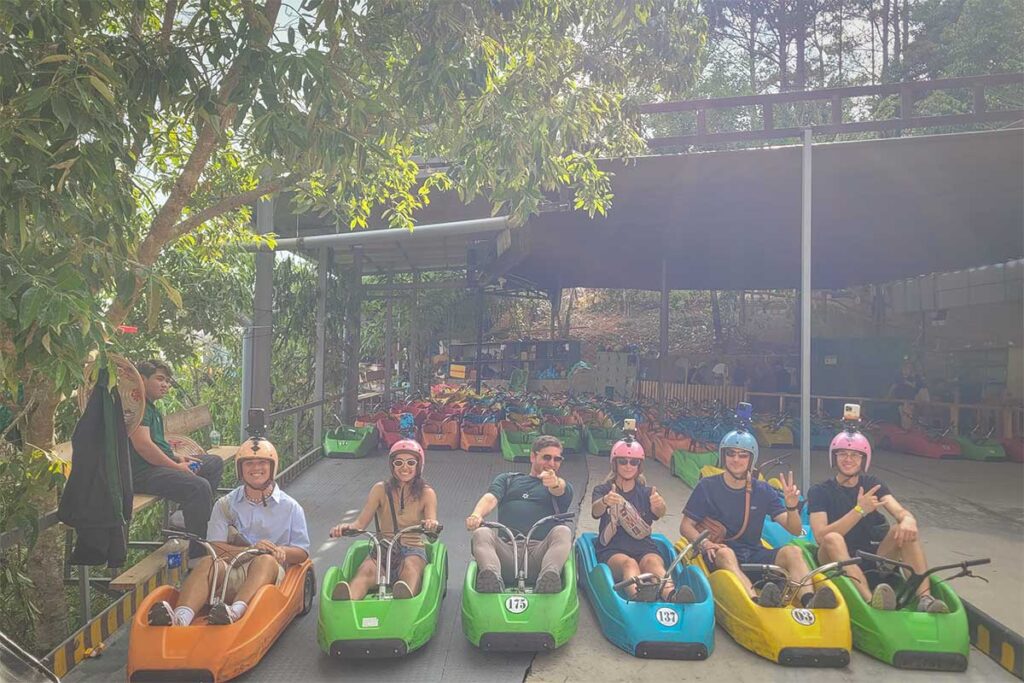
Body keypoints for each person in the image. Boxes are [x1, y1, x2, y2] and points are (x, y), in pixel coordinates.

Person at [147, 437, 310, 626]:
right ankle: (180, 618)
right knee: (208, 562)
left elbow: (302, 552)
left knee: (265, 560)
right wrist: (253, 549)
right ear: (240, 469)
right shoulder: (226, 504)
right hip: (232, 568)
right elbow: (215, 547)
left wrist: (278, 551)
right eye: (249, 463)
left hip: (270, 573)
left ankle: (234, 612)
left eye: (262, 463)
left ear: (272, 467)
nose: (255, 468)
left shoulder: (291, 507)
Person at [679, 428, 836, 608]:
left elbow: (794, 529)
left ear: (751, 459)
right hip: (719, 552)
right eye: (731, 454)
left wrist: (792, 507)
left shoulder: (763, 490)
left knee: (793, 552)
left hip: (753, 553)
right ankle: (755, 602)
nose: (736, 459)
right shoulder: (707, 486)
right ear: (724, 456)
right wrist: (705, 544)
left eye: (743, 455)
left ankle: (810, 601)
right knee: (726, 553)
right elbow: (685, 526)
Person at [808, 423, 949, 613]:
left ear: (863, 459)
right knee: (833, 538)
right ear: (834, 457)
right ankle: (870, 601)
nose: (848, 459)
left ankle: (925, 598)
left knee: (903, 530)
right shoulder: (819, 491)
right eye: (843, 454)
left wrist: (908, 519)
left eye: (854, 455)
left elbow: (899, 511)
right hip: (836, 561)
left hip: (874, 559)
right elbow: (820, 536)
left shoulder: (873, 484)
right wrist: (859, 510)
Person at [129, 360, 224, 558]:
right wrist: (176, 466)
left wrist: (179, 457)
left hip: (160, 466)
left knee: (213, 462)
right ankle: (198, 554)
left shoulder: (152, 408)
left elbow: (158, 444)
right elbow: (143, 446)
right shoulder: (137, 407)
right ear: (142, 379)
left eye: (168, 381)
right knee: (199, 487)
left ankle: (183, 516)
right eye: (160, 379)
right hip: (143, 474)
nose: (166, 385)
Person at [328, 439, 439, 600]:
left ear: (418, 465)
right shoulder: (380, 489)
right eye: (398, 462)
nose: (404, 467)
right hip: (383, 550)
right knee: (366, 570)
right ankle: (348, 600)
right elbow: (360, 524)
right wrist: (345, 528)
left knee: (410, 568)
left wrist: (431, 524)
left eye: (410, 462)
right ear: (392, 465)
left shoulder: (427, 493)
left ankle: (405, 601)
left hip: (412, 549)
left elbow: (432, 523)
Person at [591, 436, 695, 602]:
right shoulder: (603, 490)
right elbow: (595, 512)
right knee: (629, 563)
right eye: (623, 461)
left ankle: (672, 595)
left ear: (639, 466)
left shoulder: (647, 493)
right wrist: (605, 501)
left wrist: (659, 506)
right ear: (615, 464)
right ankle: (638, 595)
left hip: (644, 548)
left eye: (633, 462)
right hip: (613, 549)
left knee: (652, 562)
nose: (628, 466)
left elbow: (659, 513)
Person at [466, 435, 574, 593]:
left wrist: (555, 482)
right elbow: (490, 498)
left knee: (563, 531)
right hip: (508, 551)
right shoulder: (508, 480)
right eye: (546, 457)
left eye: (557, 459)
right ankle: (492, 578)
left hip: (541, 553)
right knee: (482, 533)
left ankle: (548, 579)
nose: (551, 464)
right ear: (533, 456)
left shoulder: (562, 487)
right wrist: (476, 515)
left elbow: (560, 488)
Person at [887, 359, 930, 429]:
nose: (905, 370)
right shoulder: (899, 379)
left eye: (908, 368)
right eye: (904, 368)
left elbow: (922, 394)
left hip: (911, 403)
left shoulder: (917, 380)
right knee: (901, 419)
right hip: (900, 403)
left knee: (909, 420)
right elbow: (892, 388)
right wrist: (888, 397)